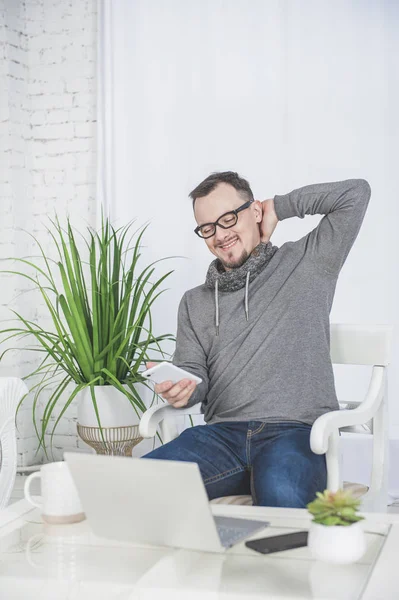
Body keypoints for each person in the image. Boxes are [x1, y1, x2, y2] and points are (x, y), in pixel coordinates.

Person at [143, 171, 371, 508]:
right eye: (208, 228)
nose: (220, 235)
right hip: (220, 437)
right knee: (136, 484)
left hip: (295, 434)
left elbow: (355, 194)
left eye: (229, 218)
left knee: (282, 495)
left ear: (254, 211)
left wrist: (279, 206)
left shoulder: (308, 262)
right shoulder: (195, 301)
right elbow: (193, 372)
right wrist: (184, 388)